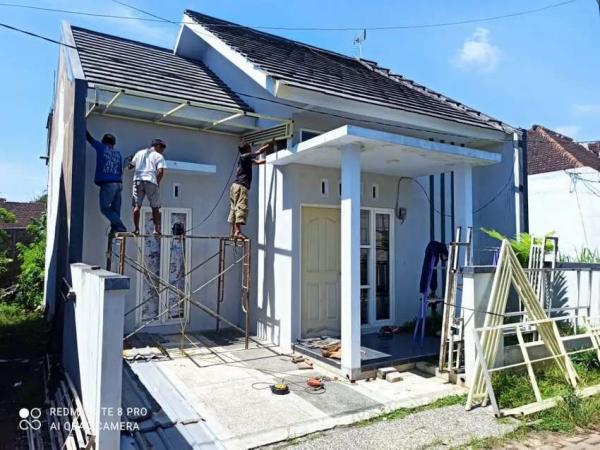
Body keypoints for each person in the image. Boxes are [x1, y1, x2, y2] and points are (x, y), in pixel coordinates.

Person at [228, 140, 273, 239]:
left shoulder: (245, 159)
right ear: (247, 149)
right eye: (250, 148)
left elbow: (258, 162)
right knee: (240, 207)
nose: (251, 149)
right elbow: (258, 152)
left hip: (235, 186)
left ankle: (233, 232)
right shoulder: (245, 156)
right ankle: (237, 232)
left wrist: (271, 159)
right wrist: (267, 146)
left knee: (234, 208)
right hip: (241, 186)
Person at [86, 130, 126, 234]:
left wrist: (82, 126)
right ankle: (115, 228)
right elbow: (120, 169)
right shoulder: (118, 154)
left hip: (108, 183)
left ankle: (120, 226)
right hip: (119, 183)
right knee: (115, 209)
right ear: (114, 143)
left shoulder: (102, 147)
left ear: (103, 141)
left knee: (104, 208)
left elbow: (90, 139)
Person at [128, 139, 167, 235]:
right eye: (162, 149)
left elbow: (130, 166)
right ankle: (156, 230)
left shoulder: (139, 153)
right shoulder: (158, 156)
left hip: (138, 180)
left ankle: (136, 229)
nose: (162, 151)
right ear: (158, 146)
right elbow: (160, 172)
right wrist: (157, 182)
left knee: (137, 205)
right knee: (155, 206)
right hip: (150, 180)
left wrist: (132, 162)